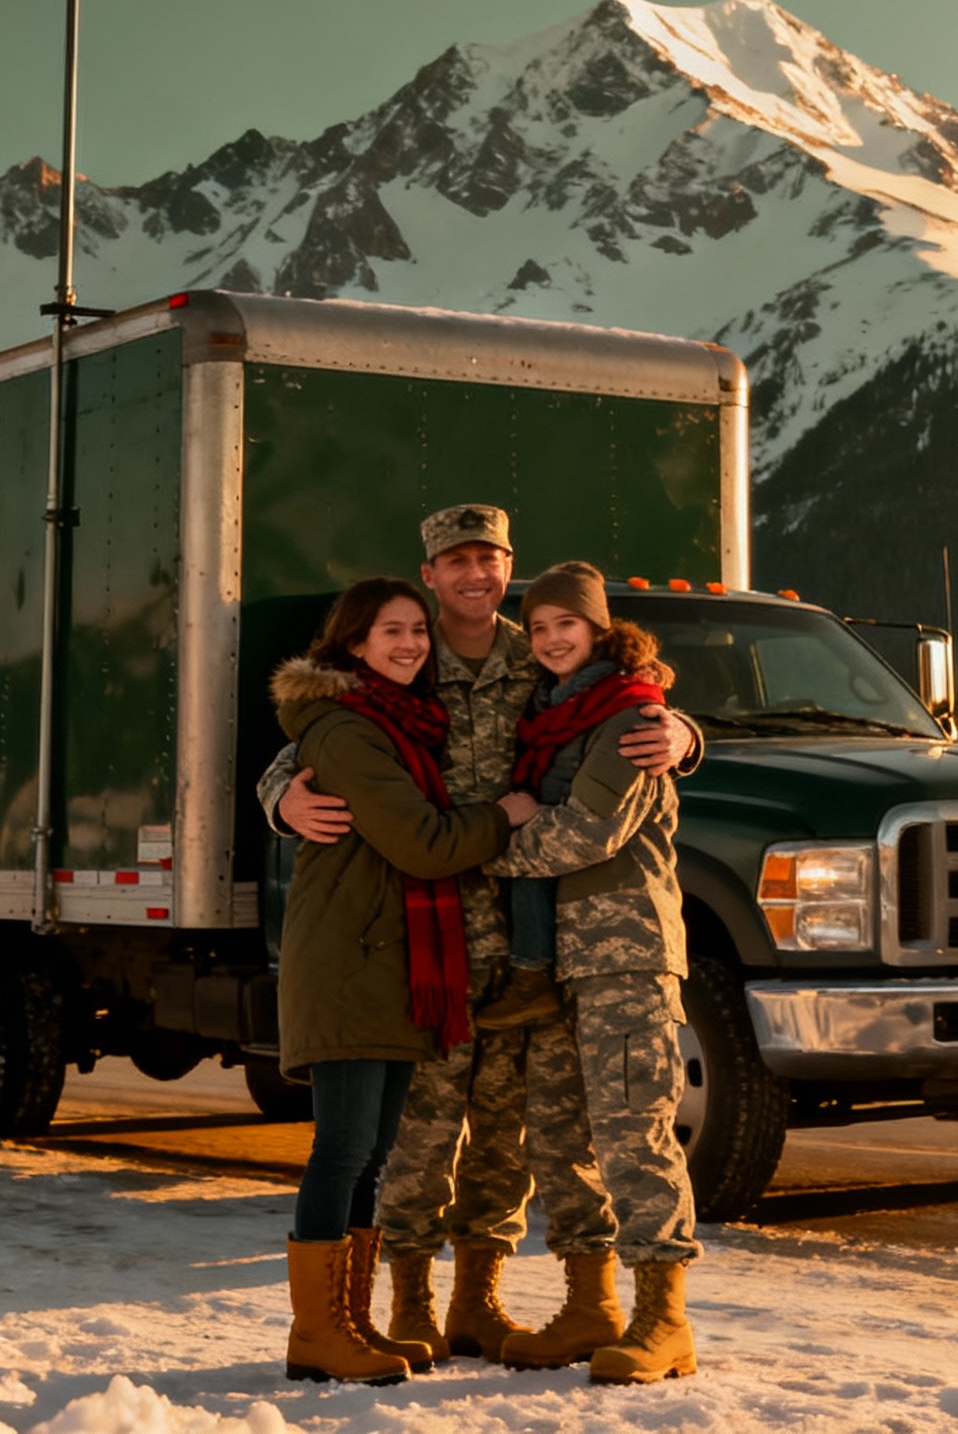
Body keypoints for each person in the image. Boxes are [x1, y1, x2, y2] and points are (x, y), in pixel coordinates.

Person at [257, 504, 701, 1362]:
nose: (473, 576)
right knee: (419, 1138)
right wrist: (277, 794)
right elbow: (324, 726)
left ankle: (479, 1303)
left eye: (488, 561)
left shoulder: (535, 655)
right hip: (427, 940)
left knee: (511, 1140)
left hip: (532, 942)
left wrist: (684, 734)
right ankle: (411, 1306)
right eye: (454, 561)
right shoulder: (406, 657)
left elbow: (627, 693)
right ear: (428, 573)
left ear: (507, 567)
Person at [270, 575, 540, 1385]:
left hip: (391, 956)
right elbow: (420, 842)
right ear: (354, 642)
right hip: (354, 957)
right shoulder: (351, 727)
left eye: (417, 632)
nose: (411, 644)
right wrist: (506, 815)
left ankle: (348, 1325)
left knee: (371, 1149)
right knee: (344, 1147)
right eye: (391, 631)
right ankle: (317, 1334)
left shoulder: (405, 718)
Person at [488, 561, 702, 1384]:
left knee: (633, 1136)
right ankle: (591, 1305)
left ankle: (665, 1321)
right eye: (537, 628)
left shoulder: (631, 719)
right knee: (559, 1137)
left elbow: (585, 834)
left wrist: (482, 845)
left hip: (623, 956)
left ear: (599, 628)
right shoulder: (548, 716)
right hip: (552, 963)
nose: (549, 640)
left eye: (564, 625)